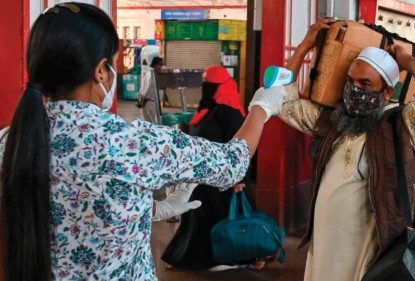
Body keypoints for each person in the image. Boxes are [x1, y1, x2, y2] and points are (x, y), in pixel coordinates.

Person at [0, 3, 286, 280]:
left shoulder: (9, 144)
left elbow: (68, 208)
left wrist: (149, 210)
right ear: (100, 70)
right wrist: (261, 108)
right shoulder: (133, 143)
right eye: (114, 63)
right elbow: (232, 163)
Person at [275, 19, 415, 280]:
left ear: (387, 90)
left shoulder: (404, 128)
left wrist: (405, 61)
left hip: (369, 253)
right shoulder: (333, 122)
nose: (354, 90)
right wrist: (304, 47)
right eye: (350, 81)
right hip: (324, 248)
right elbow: (281, 101)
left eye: (365, 84)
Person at [161, 66, 269, 271]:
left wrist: (239, 178)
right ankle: (185, 257)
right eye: (205, 83)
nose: (206, 87)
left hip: (228, 179)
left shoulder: (230, 113)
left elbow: (243, 148)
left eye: (210, 84)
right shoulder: (206, 109)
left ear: (221, 87)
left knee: (236, 217)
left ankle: (257, 254)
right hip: (205, 178)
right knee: (198, 217)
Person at [139, 56, 163, 123]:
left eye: (162, 65)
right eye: (160, 65)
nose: (161, 67)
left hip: (149, 101)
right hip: (150, 101)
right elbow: (148, 87)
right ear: (155, 65)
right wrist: (143, 98)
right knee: (153, 121)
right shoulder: (152, 75)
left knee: (149, 121)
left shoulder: (150, 74)